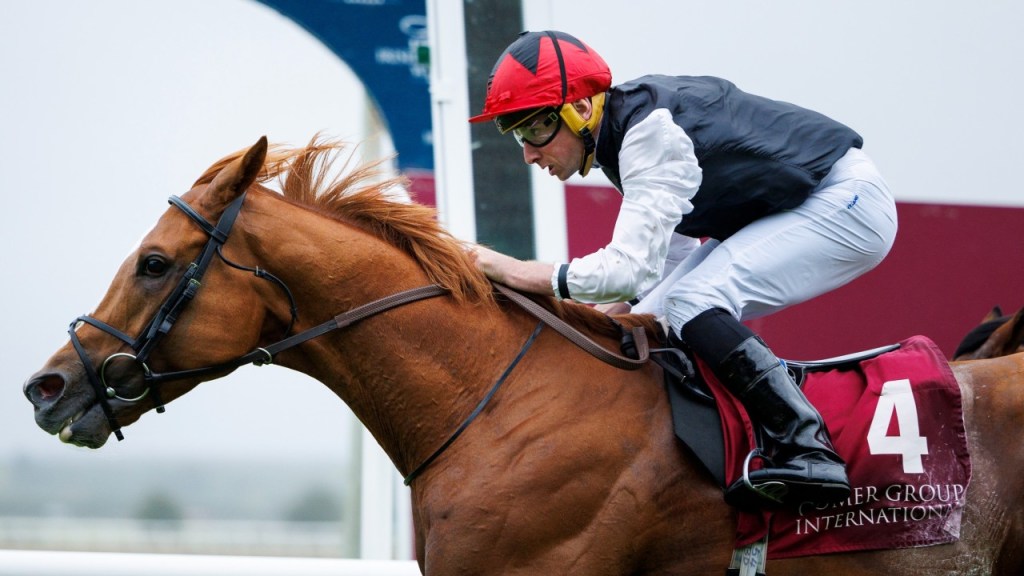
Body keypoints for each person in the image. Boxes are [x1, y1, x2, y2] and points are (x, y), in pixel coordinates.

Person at [467, 30, 897, 510]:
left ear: (582, 109)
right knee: (651, 321)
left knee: (691, 303)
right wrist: (597, 325)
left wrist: (513, 271)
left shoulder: (648, 133)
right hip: (803, 203)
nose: (528, 153)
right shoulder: (623, 135)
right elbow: (655, 269)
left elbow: (627, 269)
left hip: (845, 202)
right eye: (518, 136)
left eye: (534, 130)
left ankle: (807, 447)